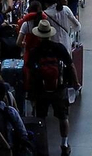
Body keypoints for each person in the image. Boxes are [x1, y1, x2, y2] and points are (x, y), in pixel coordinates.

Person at [24, 21, 78, 155]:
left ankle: (41, 145)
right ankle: (64, 145)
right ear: (50, 34)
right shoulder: (59, 48)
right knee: (63, 117)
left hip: (40, 90)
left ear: (39, 36)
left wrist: (30, 90)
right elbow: (70, 66)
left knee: (40, 118)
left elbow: (29, 71)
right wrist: (75, 83)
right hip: (59, 89)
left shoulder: (35, 51)